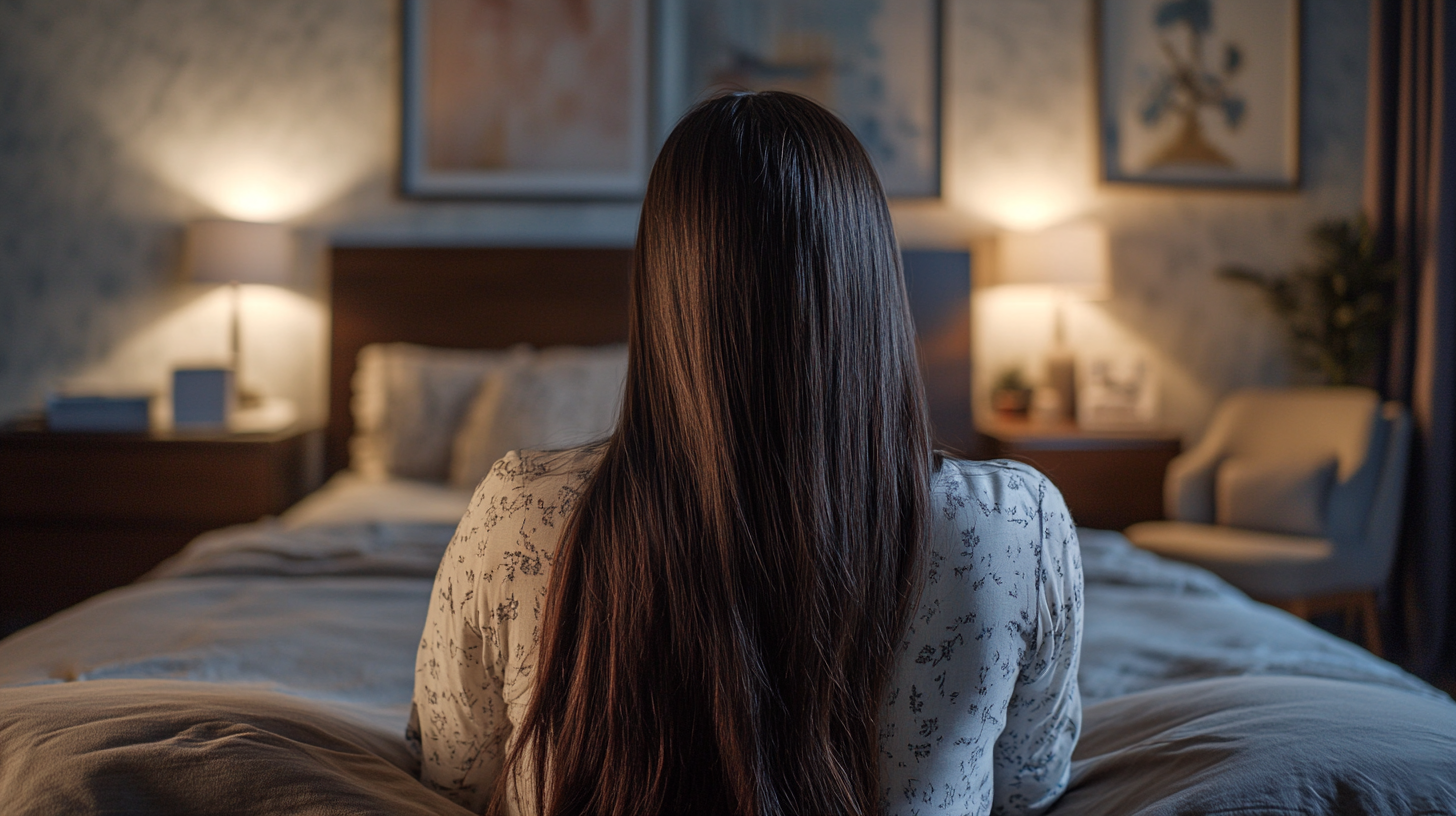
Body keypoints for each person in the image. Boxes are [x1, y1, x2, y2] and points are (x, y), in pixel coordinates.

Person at [410, 91, 1082, 816]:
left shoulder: (518, 513)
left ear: (663, 289)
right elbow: (1027, 788)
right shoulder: (1016, 525)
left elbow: (453, 781)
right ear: (871, 283)